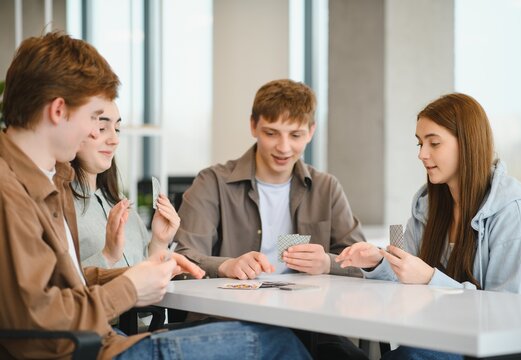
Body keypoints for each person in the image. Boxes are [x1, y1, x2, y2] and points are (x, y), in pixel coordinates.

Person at [0, 31, 310, 360]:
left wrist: (139, 273)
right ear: (59, 111)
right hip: (91, 351)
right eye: (94, 118)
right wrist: (130, 288)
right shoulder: (12, 192)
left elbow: (61, 287)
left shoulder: (43, 180)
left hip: (103, 342)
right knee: (275, 342)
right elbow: (37, 316)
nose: (98, 133)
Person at [336, 92, 521, 359]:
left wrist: (430, 279)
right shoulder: (427, 206)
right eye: (420, 143)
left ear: (467, 144)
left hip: (489, 349)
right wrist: (378, 262)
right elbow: (406, 275)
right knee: (334, 348)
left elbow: (507, 312)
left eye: (434, 143)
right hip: (437, 337)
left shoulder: (511, 212)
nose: (422, 154)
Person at [174, 79, 367, 359]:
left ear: (311, 132)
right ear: (253, 126)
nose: (284, 147)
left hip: (310, 325)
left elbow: (363, 262)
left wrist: (327, 261)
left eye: (296, 135)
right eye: (271, 133)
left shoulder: (326, 188)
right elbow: (183, 257)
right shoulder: (212, 182)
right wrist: (227, 265)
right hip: (231, 321)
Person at [71, 100, 180, 269]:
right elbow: (58, 286)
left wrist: (159, 241)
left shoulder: (119, 202)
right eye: (101, 128)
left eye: (117, 129)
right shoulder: (60, 205)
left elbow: (144, 275)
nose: (115, 140)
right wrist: (107, 256)